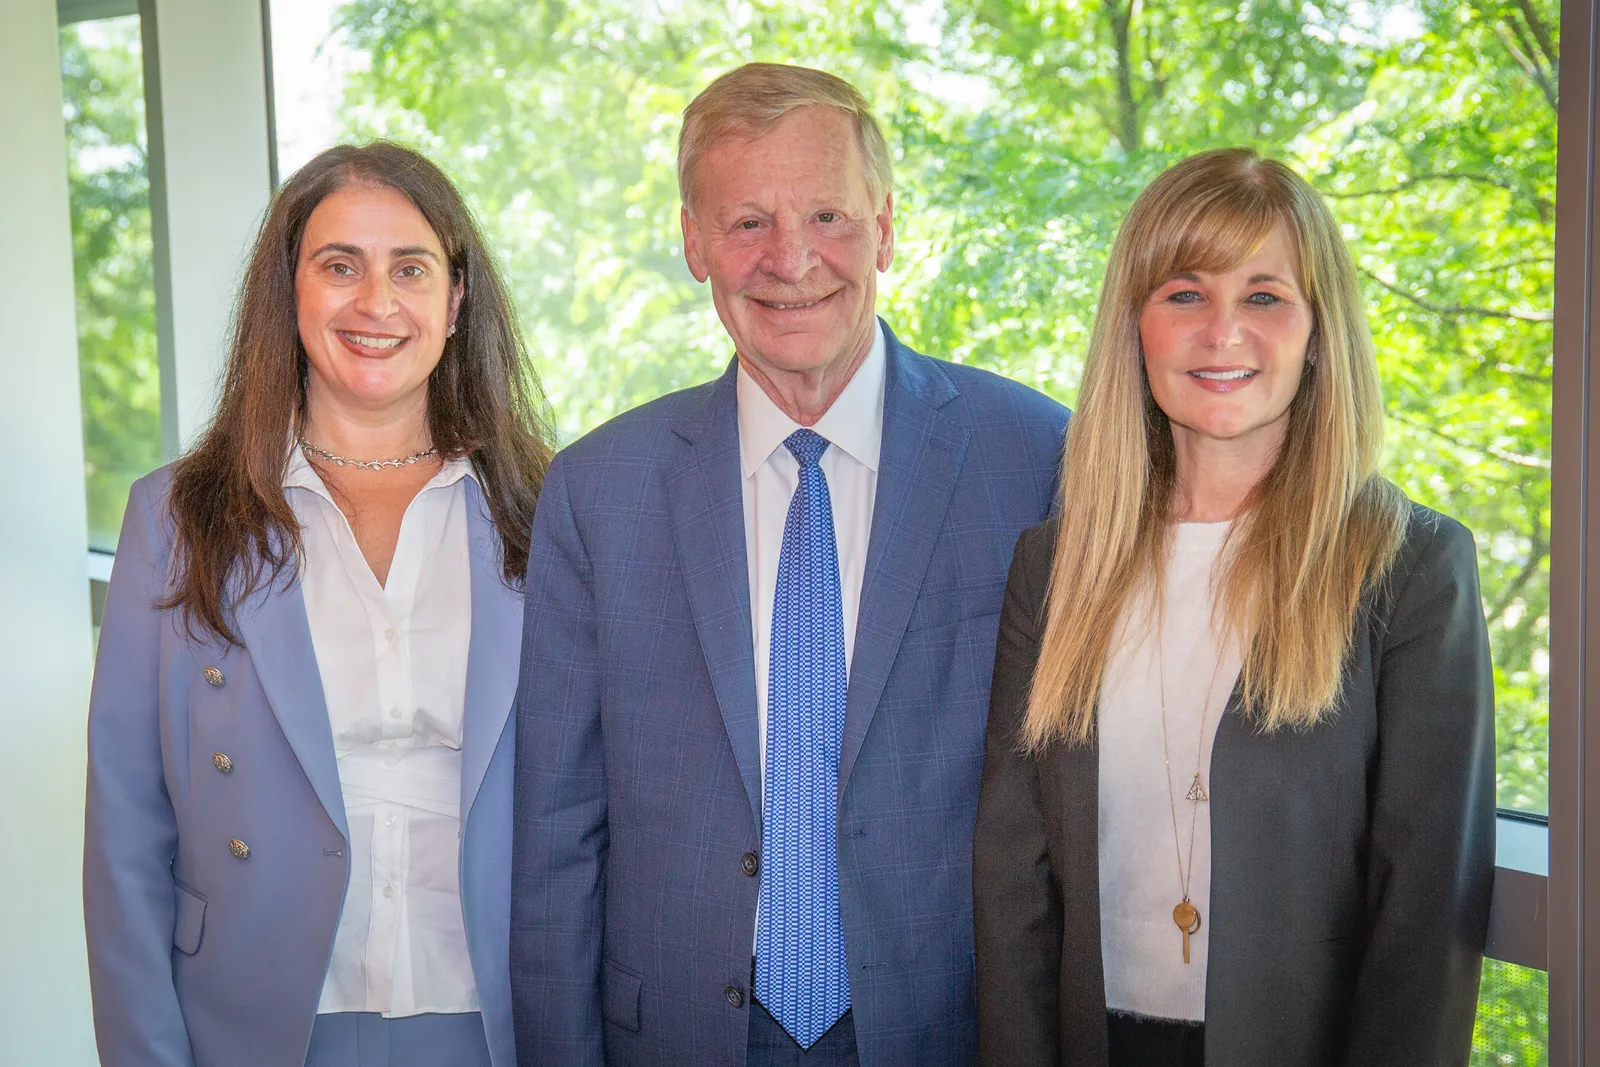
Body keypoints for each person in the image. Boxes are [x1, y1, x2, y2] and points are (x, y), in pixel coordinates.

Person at [509, 63, 1069, 1067]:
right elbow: (556, 831)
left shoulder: (1032, 459)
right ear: (693, 243)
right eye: (747, 222)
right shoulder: (598, 490)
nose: (792, 258)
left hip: (947, 1027)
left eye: (828, 216)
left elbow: (1074, 806)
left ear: (887, 229)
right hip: (675, 1032)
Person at [972, 147, 1496, 1067]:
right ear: (1134, 326)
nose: (1223, 333)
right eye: (1184, 293)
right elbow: (1014, 885)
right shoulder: (1055, 564)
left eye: (1263, 296)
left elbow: (1423, 916)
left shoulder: (1410, 567)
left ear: (1317, 331)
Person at [83, 142, 553, 1067]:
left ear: (456, 301)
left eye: (409, 268)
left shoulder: (549, 509)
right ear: (288, 293)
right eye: (339, 266)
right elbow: (127, 831)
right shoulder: (174, 517)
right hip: (259, 1023)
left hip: (501, 1021)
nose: (375, 303)